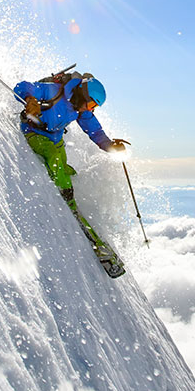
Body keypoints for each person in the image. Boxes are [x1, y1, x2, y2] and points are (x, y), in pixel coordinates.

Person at [13, 72, 127, 277]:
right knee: (55, 162)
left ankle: (70, 191)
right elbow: (22, 86)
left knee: (66, 168)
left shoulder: (80, 110)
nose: (90, 109)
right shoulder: (52, 91)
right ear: (83, 95)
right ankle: (68, 199)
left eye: (93, 108)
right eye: (91, 105)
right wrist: (30, 99)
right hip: (35, 134)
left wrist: (110, 146)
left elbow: (94, 131)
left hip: (56, 140)